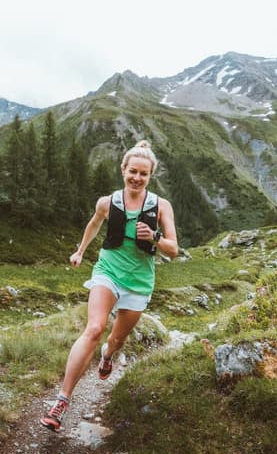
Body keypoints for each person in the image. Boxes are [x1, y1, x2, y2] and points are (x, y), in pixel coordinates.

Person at [40, 140, 178, 431]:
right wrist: (80, 250)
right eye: (132, 172)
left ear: (150, 176)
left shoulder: (161, 206)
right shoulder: (107, 202)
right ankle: (62, 401)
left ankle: (107, 355)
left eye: (143, 174)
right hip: (108, 271)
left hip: (139, 281)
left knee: (115, 340)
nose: (137, 178)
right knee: (94, 328)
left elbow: (173, 249)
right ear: (123, 170)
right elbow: (93, 224)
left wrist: (154, 237)